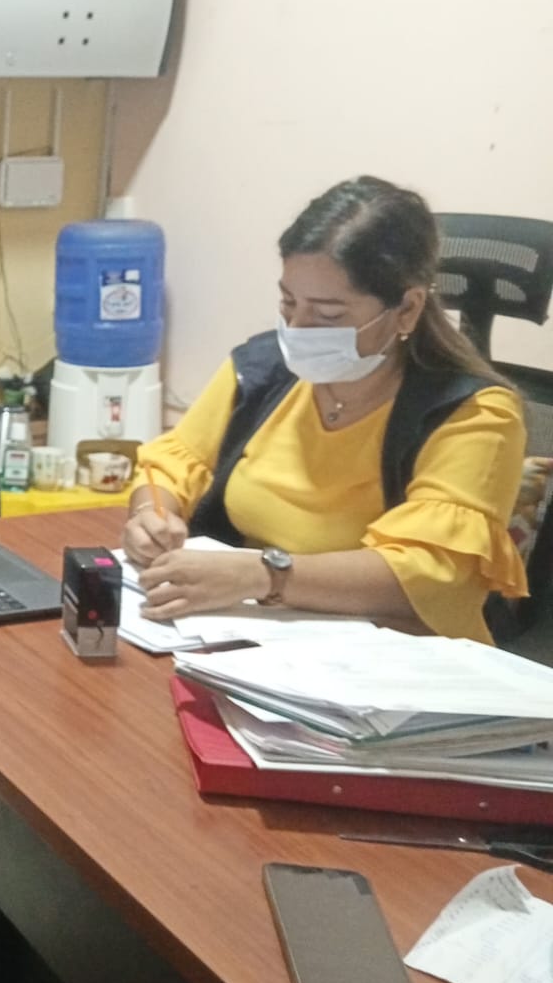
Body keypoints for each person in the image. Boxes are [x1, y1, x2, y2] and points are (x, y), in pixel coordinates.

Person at [122, 176, 528, 642]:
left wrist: (264, 575)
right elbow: (172, 463)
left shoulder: (474, 415)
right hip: (248, 637)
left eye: (328, 315)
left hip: (391, 654)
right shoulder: (260, 371)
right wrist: (150, 515)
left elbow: (428, 573)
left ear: (407, 309)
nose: (297, 328)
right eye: (288, 302)